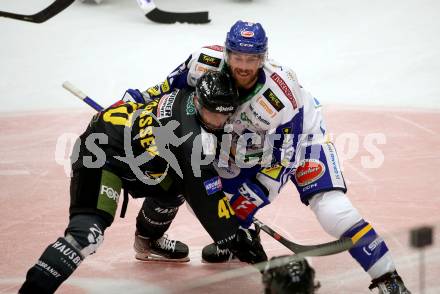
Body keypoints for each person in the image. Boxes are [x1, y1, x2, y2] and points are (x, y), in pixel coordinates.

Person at [122, 20, 411, 294]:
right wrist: (133, 101)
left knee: (333, 209)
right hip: (237, 137)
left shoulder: (281, 96)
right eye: (237, 57)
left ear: (264, 57)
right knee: (196, 177)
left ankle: (388, 278)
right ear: (226, 52)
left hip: (302, 137)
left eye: (252, 59)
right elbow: (167, 89)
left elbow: (283, 163)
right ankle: (226, 238)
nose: (243, 67)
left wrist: (245, 206)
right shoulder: (203, 61)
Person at [19, 71, 267, 294]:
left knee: (174, 185)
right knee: (87, 234)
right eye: (213, 113)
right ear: (199, 103)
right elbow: (207, 198)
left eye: (224, 114)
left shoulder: (185, 95)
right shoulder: (190, 139)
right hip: (100, 157)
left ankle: (148, 241)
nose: (218, 120)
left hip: (136, 156)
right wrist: (235, 239)